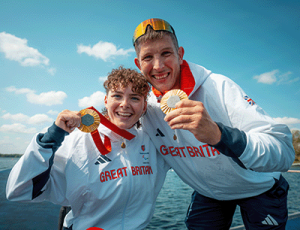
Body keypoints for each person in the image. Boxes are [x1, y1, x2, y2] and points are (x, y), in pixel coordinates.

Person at [132, 18, 295, 229]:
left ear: (180, 54)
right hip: (210, 193)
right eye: (148, 57)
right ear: (138, 64)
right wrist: (82, 118)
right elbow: (115, 126)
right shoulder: (146, 105)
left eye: (166, 53)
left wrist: (219, 135)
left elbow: (283, 151)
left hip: (259, 188)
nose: (158, 66)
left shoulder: (219, 87)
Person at [6, 66, 170, 230]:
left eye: (134, 98)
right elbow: (19, 190)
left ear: (144, 106)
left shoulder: (154, 141)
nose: (125, 104)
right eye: (117, 96)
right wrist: (52, 137)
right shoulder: (77, 140)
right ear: (106, 100)